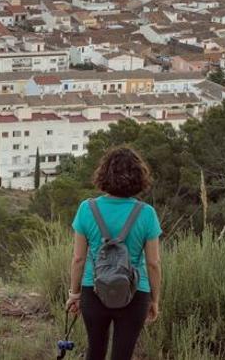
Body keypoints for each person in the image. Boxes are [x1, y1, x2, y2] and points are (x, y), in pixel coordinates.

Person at [65, 146, 162, 360]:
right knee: (122, 355)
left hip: (94, 289)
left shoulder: (87, 209)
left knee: (95, 351)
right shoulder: (147, 213)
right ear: (139, 177)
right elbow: (153, 263)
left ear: (104, 174)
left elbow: (78, 258)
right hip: (135, 292)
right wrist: (154, 299)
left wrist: (74, 293)